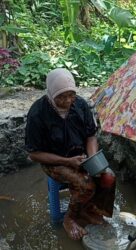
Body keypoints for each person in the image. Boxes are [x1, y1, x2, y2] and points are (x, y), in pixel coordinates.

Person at [25, 68, 116, 240]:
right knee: (85, 184)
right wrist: (67, 161)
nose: (68, 100)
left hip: (80, 156)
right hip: (54, 161)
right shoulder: (38, 113)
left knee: (108, 177)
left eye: (71, 95)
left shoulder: (79, 105)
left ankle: (91, 210)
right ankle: (69, 218)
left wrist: (92, 158)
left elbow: (91, 135)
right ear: (51, 94)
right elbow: (34, 154)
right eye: (61, 96)